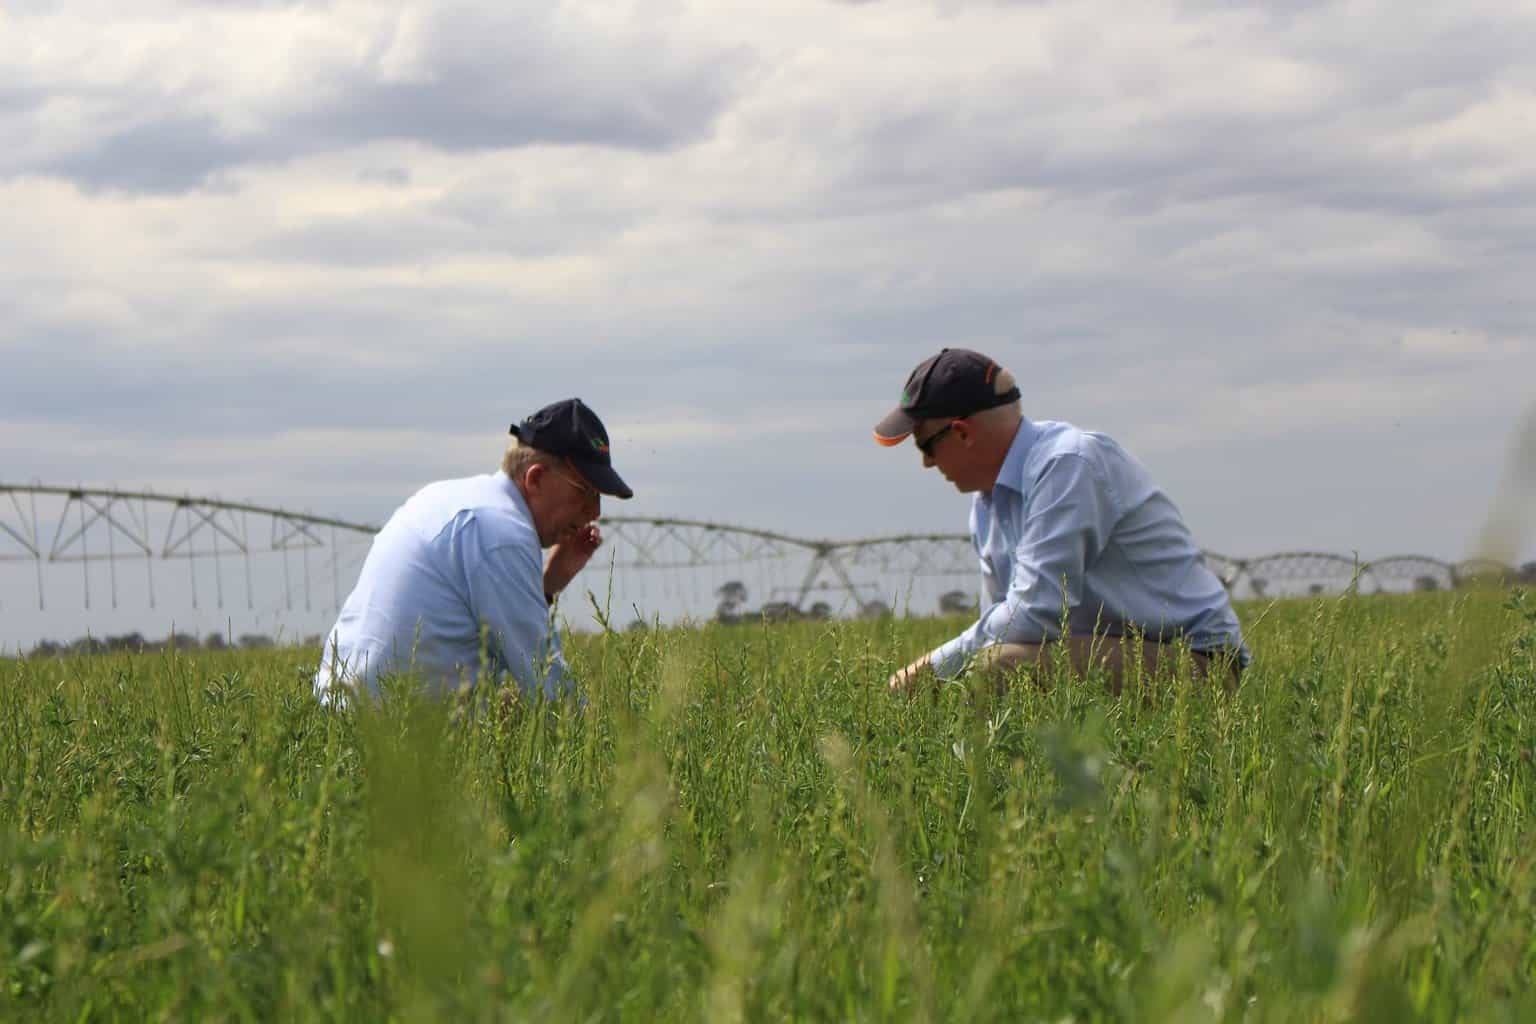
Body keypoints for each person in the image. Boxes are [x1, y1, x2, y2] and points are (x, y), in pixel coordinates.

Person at [873, 349, 1248, 692]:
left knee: (1002, 667)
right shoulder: (987, 502)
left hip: (1198, 664)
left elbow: (1034, 615)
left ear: (962, 433)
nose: (926, 462)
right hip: (1105, 651)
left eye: (925, 445)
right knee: (981, 670)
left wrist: (933, 669)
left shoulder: (1067, 465)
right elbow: (1005, 624)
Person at [313, 398, 633, 703]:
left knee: (508, 705)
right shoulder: (502, 533)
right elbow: (547, 683)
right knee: (517, 709)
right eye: (586, 492)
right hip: (393, 732)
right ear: (535, 478)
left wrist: (548, 585)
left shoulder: (447, 498)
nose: (595, 512)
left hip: (339, 718)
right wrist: (618, 746)